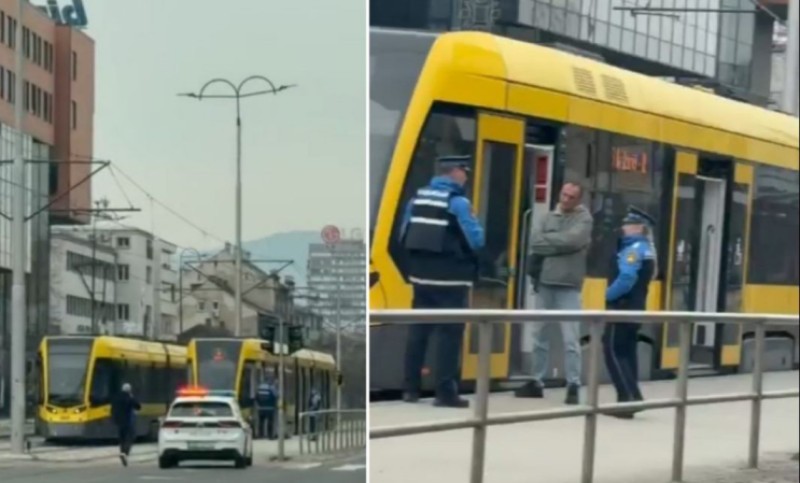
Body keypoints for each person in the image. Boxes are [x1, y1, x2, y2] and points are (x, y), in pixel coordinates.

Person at [399, 155, 485, 408]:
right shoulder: (458, 203)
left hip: (421, 279)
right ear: (455, 173)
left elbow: (404, 233)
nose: (466, 176)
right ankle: (445, 393)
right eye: (464, 171)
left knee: (418, 332)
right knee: (450, 335)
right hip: (451, 280)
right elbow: (476, 240)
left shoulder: (417, 199)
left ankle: (410, 389)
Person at [515, 182, 593, 405]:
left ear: (578, 200)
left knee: (571, 338)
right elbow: (535, 242)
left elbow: (574, 240)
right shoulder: (548, 216)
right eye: (564, 194)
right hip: (545, 283)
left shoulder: (584, 219)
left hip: (569, 285)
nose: (566, 199)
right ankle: (536, 381)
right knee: (539, 335)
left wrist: (552, 242)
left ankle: (573, 384)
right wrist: (561, 244)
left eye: (571, 197)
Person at [602, 207, 658, 419]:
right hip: (636, 307)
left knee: (612, 350)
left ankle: (625, 399)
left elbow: (626, 278)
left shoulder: (633, 249)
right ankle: (634, 395)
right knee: (627, 352)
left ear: (639, 227)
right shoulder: (647, 249)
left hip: (622, 307)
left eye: (628, 224)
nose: (623, 227)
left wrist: (608, 295)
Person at [111, 382, 141, 467]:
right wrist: (132, 397)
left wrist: (114, 419)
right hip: (128, 421)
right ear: (129, 390)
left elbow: (112, 409)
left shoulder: (116, 398)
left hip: (119, 422)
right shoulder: (129, 398)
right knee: (130, 437)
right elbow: (138, 406)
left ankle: (121, 452)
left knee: (121, 439)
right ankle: (125, 453)